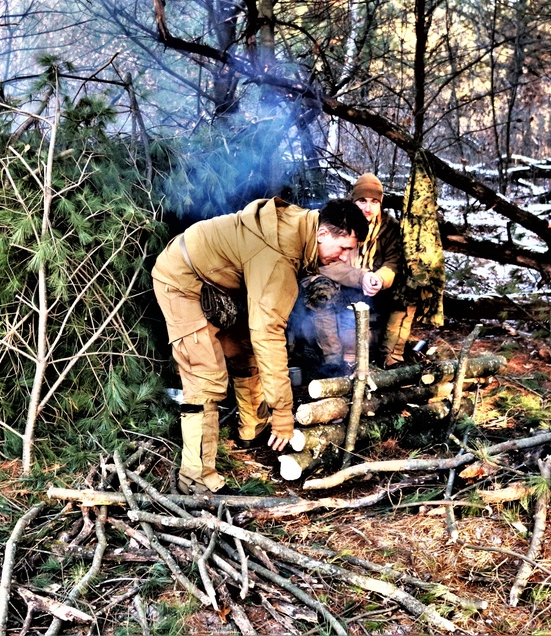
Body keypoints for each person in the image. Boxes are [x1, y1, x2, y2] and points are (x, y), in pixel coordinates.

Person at [152, 197, 369, 495]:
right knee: (205, 378)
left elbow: (329, 268)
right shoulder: (278, 255)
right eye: (344, 248)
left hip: (214, 283)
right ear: (323, 234)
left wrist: (362, 278)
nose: (346, 258)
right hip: (180, 281)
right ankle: (195, 480)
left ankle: (252, 430)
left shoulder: (302, 230)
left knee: (244, 348)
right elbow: (267, 334)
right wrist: (283, 412)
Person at [307, 173, 416, 372]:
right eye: (362, 201)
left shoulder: (389, 228)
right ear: (352, 200)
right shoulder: (338, 221)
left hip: (374, 290)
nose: (368, 208)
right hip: (342, 284)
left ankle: (391, 357)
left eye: (374, 202)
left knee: (411, 288)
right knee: (321, 288)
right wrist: (361, 277)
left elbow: (393, 262)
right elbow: (325, 262)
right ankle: (332, 360)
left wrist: (380, 279)